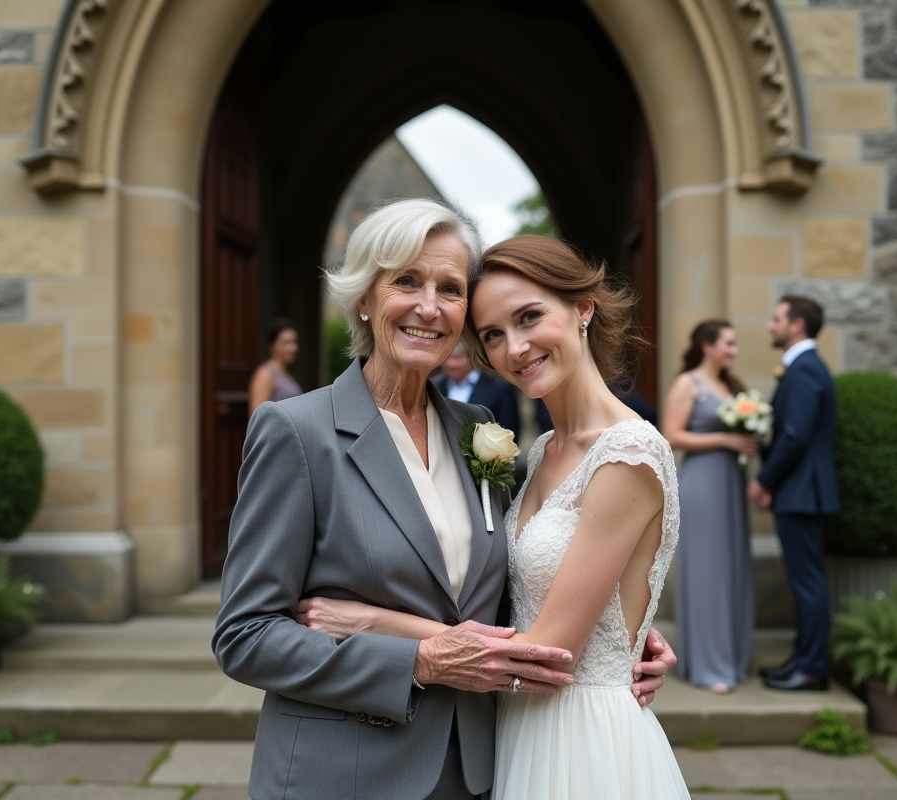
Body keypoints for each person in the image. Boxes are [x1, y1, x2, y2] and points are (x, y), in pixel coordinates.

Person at [213, 201, 676, 800]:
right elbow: (245, 635)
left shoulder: (476, 430)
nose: (428, 306)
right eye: (406, 281)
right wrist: (419, 661)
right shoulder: (296, 432)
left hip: (482, 768)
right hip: (345, 774)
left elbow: (516, 589)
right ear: (364, 297)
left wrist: (626, 632)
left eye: (450, 289)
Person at [748, 295, 839, 692]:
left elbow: (795, 435)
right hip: (800, 488)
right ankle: (802, 660)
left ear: (797, 325)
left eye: (777, 319)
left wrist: (764, 479)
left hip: (802, 490)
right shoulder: (802, 367)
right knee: (805, 581)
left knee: (808, 582)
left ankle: (813, 668)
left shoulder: (803, 370)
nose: (771, 325)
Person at [662, 319, 757, 693]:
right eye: (729, 344)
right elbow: (671, 434)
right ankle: (709, 665)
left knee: (732, 567)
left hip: (731, 485)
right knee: (708, 570)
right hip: (702, 484)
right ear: (707, 345)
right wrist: (725, 439)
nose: (734, 351)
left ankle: (733, 657)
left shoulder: (732, 386)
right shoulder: (688, 383)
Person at [433, 342, 522, 437]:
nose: (452, 364)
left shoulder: (499, 388)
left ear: (472, 358)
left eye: (458, 358)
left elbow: (510, 430)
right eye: (447, 358)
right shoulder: (434, 387)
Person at [248, 319, 303, 413]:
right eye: (286, 343)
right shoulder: (265, 374)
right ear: (272, 346)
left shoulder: (285, 373)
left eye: (295, 342)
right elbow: (256, 416)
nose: (293, 348)